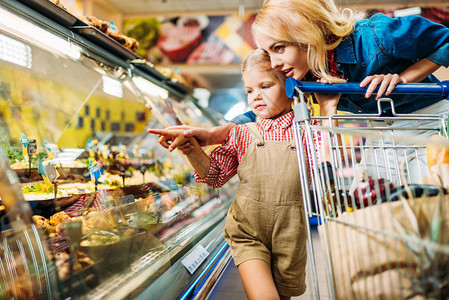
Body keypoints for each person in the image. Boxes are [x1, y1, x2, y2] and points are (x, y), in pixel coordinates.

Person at [162, 0, 449, 182]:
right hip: (380, 136)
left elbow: (445, 40)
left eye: (279, 48)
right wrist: (213, 134)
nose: (273, 62)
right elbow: (266, 110)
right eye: (267, 51)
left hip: (431, 123)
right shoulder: (307, 72)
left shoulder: (376, 36)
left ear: (305, 33)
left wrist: (402, 78)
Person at [149, 49, 336, 299]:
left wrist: (328, 107)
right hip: (247, 231)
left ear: (290, 86)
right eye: (249, 90)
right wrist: (190, 148)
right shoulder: (241, 132)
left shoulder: (309, 130)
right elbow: (215, 176)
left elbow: (325, 166)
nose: (256, 96)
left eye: (265, 86)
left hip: (290, 233)